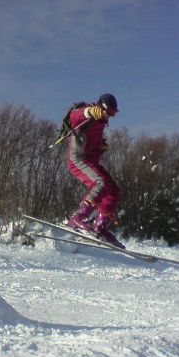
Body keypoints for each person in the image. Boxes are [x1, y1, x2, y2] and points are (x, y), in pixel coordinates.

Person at [65, 93, 124, 248]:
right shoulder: (89, 114)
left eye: (114, 113)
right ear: (101, 107)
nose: (111, 116)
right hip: (77, 160)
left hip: (90, 162)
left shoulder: (101, 122)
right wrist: (89, 111)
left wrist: (101, 147)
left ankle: (99, 226)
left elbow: (91, 144)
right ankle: (79, 218)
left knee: (114, 191)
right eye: (109, 112)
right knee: (100, 182)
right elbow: (74, 117)